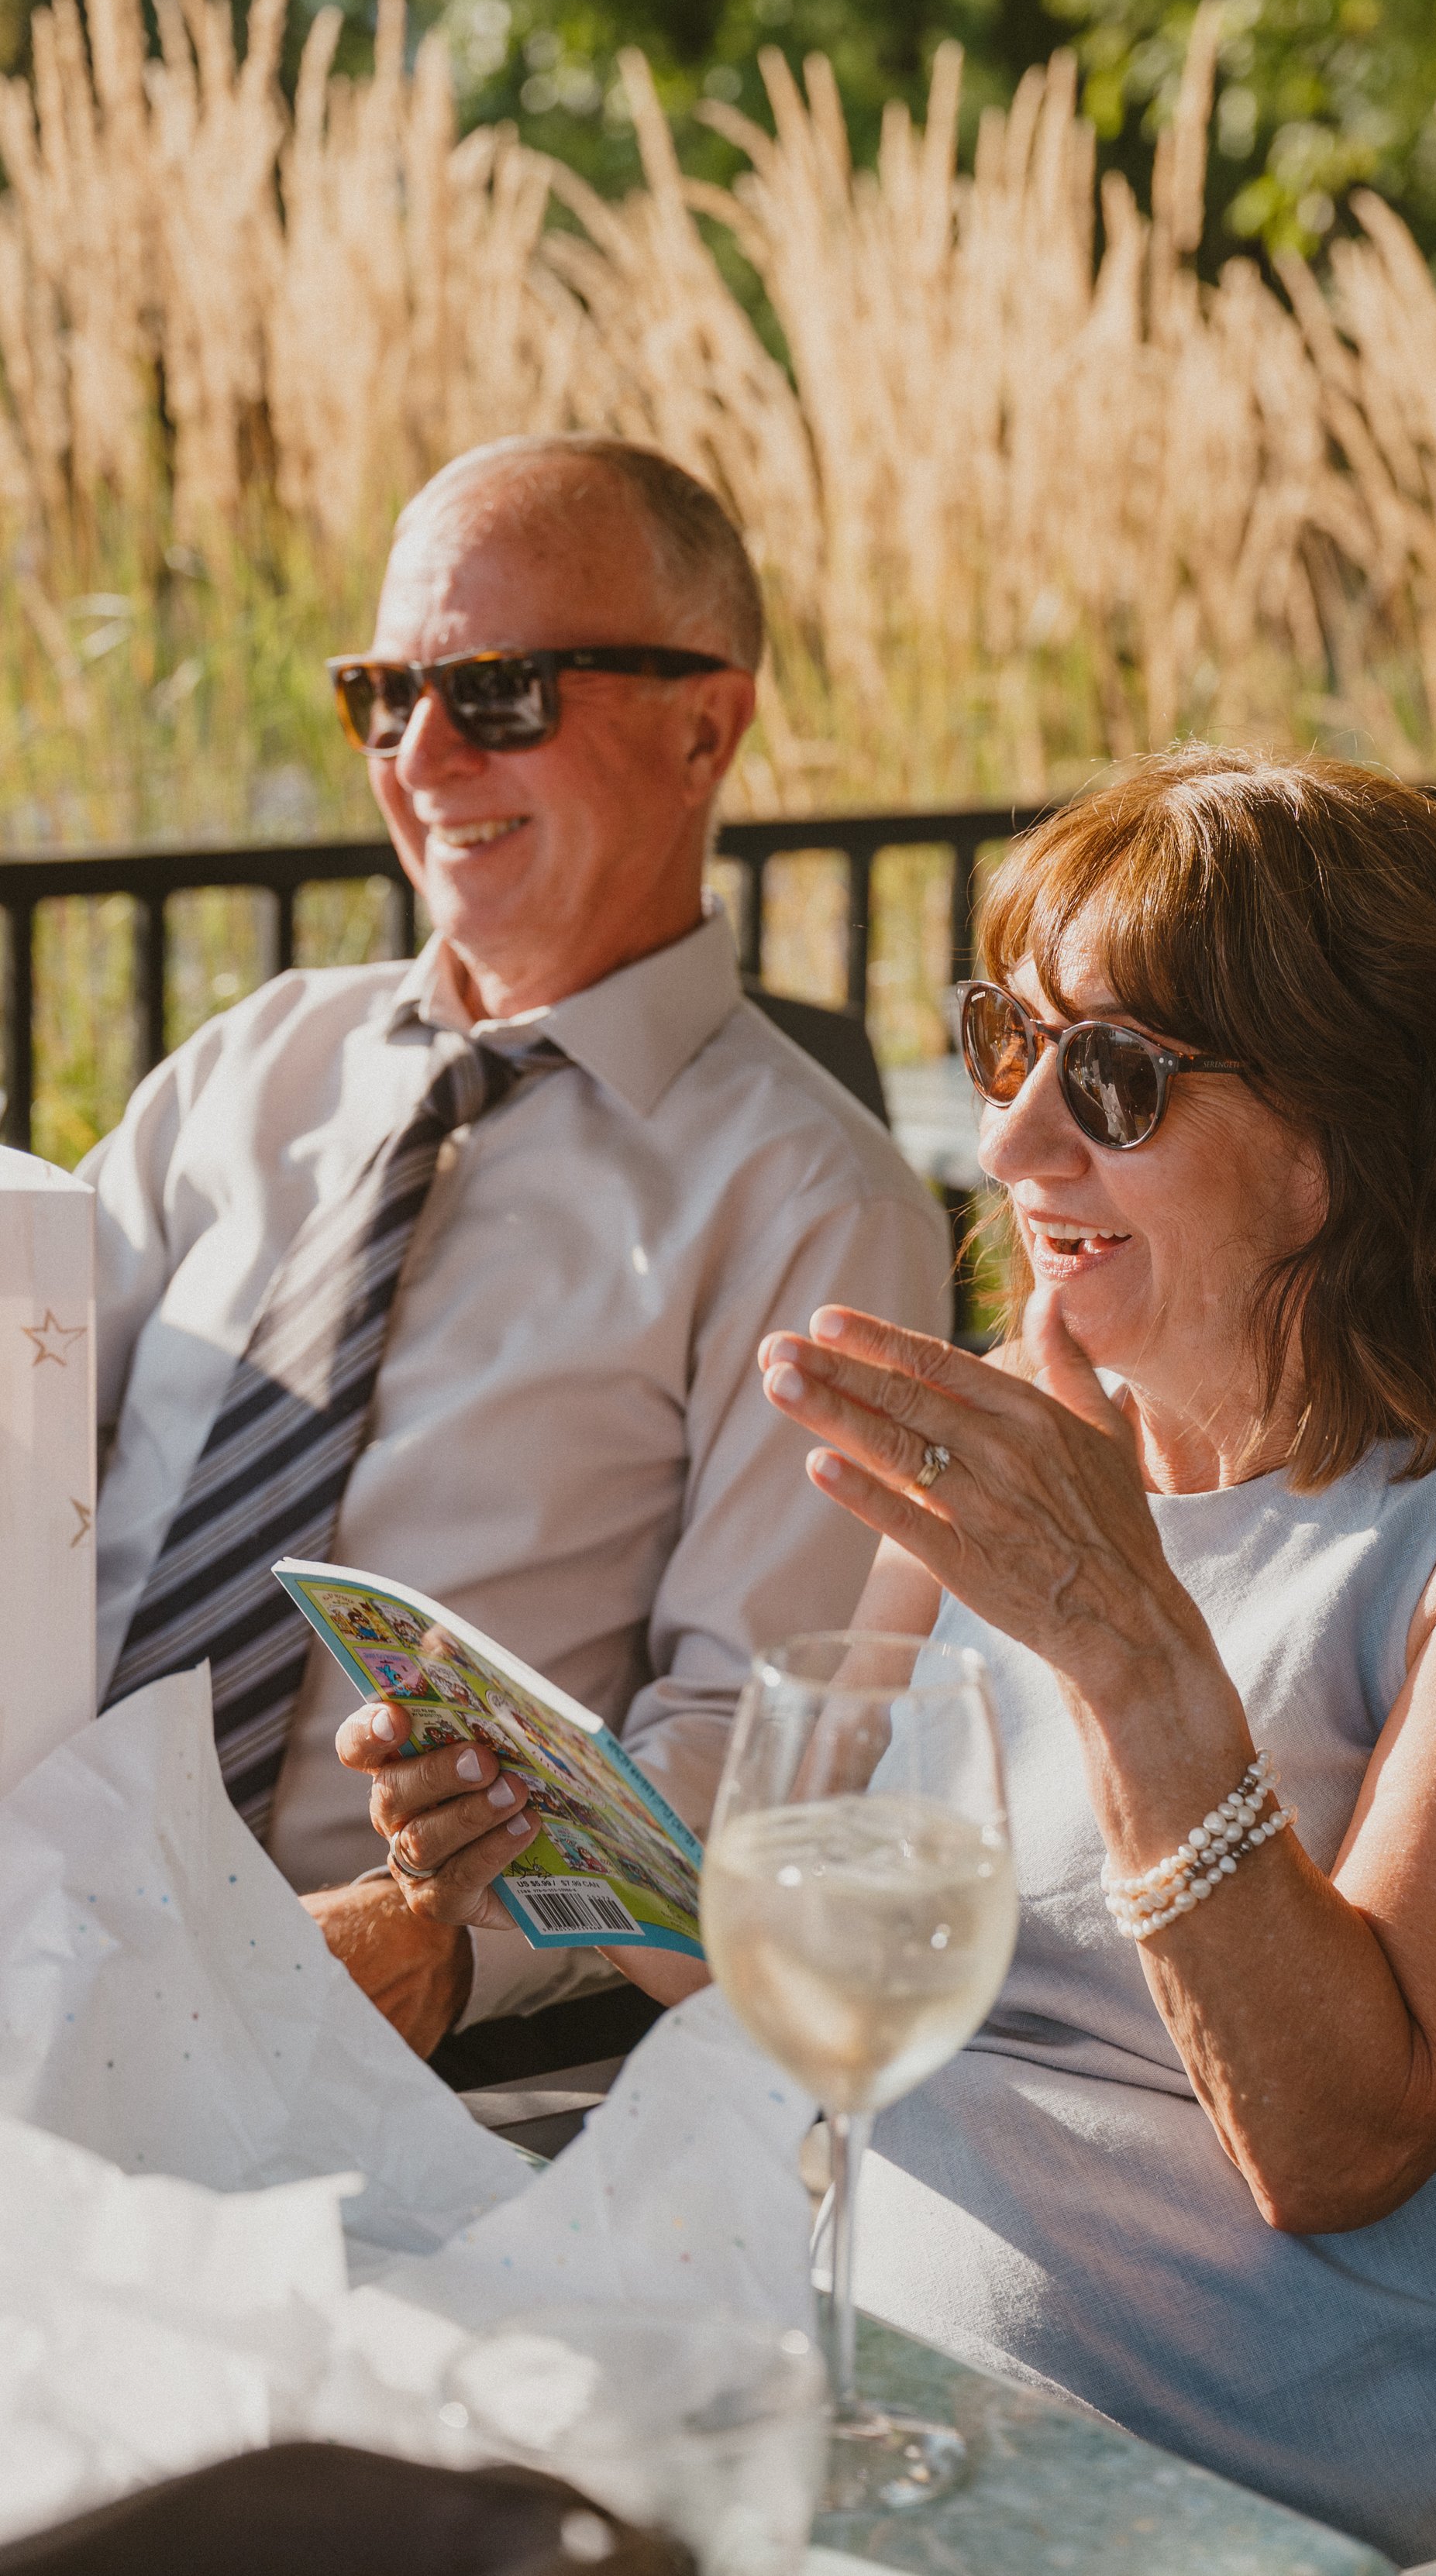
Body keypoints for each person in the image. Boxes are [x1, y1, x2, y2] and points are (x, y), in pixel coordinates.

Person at [350, 748, 1436, 2558]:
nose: (1006, 1142)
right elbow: (775, 1977)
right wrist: (543, 1841)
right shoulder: (1042, 1454)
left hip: (1201, 2498)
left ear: (1345, 1138)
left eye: (1113, 1079)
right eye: (1006, 1044)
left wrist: (1123, 1641)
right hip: (809, 2393)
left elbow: (1332, 2149)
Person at [84, 434, 952, 2057]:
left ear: (707, 722)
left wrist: (451, 1953)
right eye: (380, 695)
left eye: (494, 694)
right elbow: (25, 1420)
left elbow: (750, 1755)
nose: (420, 757)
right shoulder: (251, 1062)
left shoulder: (811, 1208)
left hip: (370, 2033)